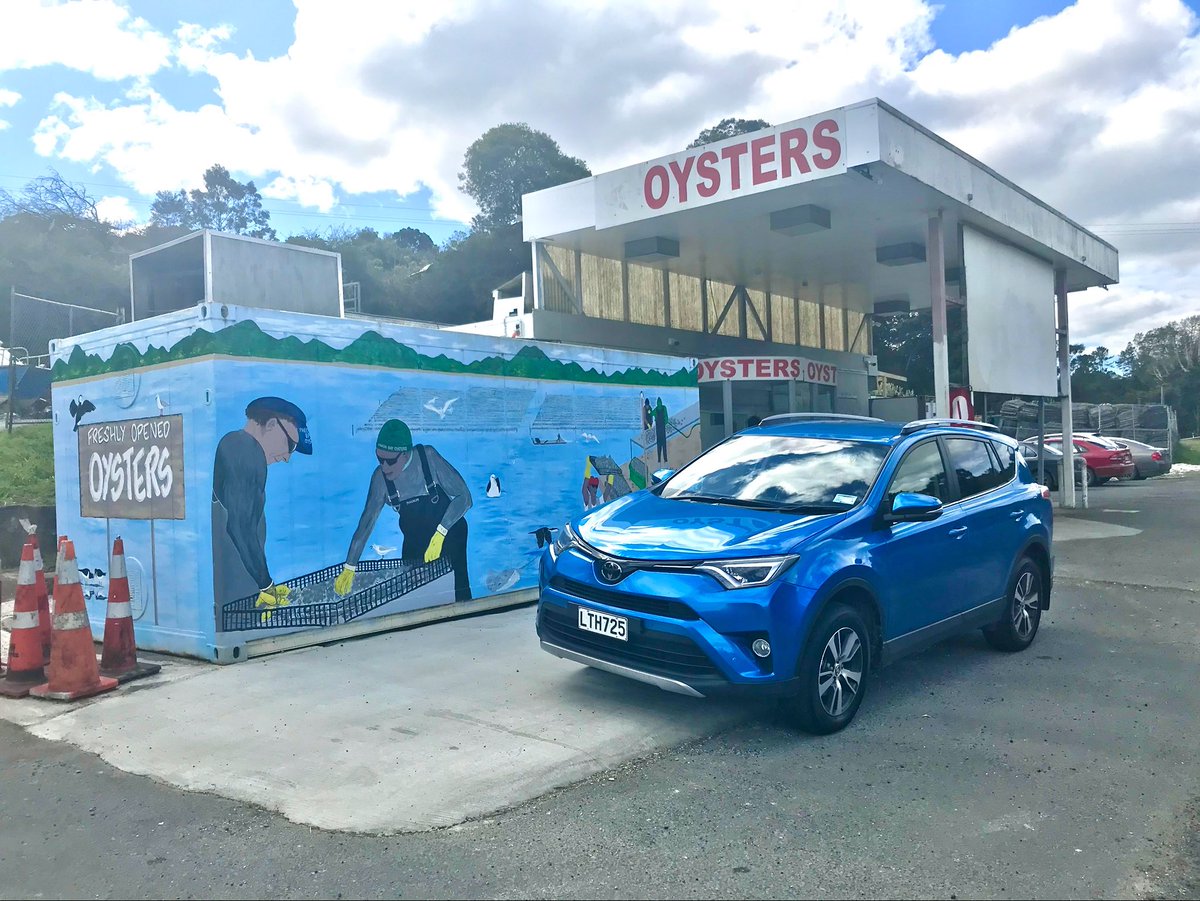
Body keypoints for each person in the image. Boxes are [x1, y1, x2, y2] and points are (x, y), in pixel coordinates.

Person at [335, 419, 473, 602]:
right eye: (380, 459)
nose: (384, 467)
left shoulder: (428, 459)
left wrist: (440, 534)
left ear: (406, 454)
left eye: (390, 461)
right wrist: (350, 566)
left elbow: (464, 498)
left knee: (457, 589)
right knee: (415, 592)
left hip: (449, 533)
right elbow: (366, 523)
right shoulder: (380, 479)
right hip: (415, 539)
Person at [212, 396, 312, 627]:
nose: (287, 458)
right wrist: (266, 585)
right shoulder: (245, 449)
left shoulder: (238, 447)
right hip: (239, 592)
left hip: (242, 588)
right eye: (290, 446)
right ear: (271, 425)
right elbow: (240, 527)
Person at [654, 396, 669, 462]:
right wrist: (665, 422)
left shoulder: (657, 409)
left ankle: (660, 459)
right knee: (663, 445)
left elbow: (651, 413)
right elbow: (666, 417)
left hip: (659, 430)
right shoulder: (663, 408)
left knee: (659, 445)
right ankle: (663, 459)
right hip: (661, 429)